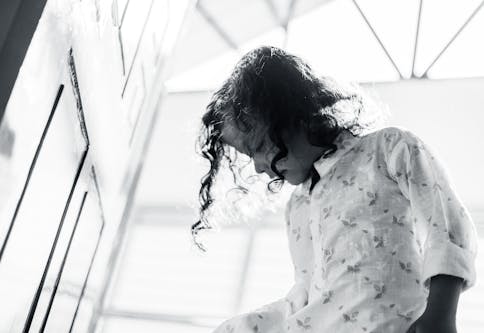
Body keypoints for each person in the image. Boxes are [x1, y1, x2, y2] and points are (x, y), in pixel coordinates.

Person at [192, 46, 478, 333]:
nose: (256, 167)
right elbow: (307, 295)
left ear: (295, 116)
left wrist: (440, 314)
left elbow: (448, 226)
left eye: (258, 148)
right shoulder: (298, 205)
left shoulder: (389, 148)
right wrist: (246, 326)